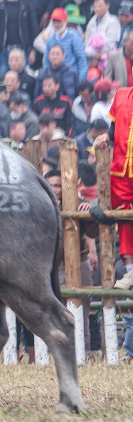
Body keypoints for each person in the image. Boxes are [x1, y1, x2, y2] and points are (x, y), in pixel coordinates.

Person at [96, 85, 133, 290]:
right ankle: (130, 273)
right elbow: (114, 127)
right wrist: (105, 136)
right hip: (121, 170)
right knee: (124, 218)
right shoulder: (120, 95)